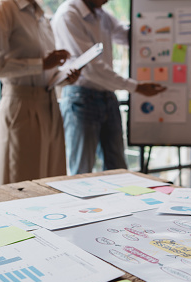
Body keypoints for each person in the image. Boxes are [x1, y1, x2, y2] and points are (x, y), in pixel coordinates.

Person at [51, 0, 166, 175]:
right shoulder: (69, 15)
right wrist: (135, 87)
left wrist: (155, 23)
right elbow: (91, 68)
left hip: (107, 97)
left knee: (118, 170)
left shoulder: (101, 15)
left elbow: (128, 36)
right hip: (81, 98)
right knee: (81, 172)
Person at [0, 0, 80, 184]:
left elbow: (46, 71)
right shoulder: (2, 9)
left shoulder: (42, 17)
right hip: (21, 103)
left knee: (53, 181)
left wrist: (64, 77)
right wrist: (41, 64)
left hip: (50, 104)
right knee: (22, 183)